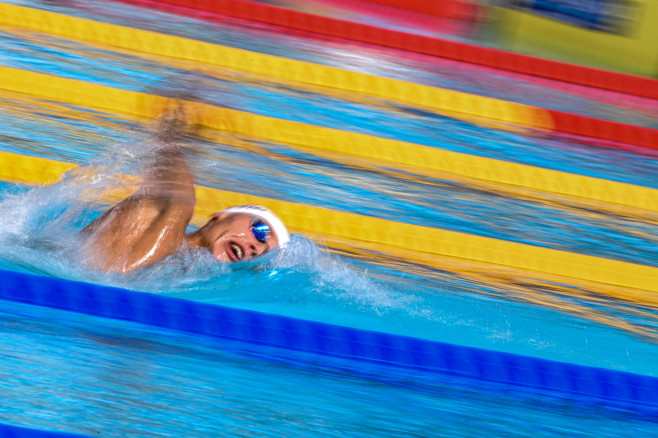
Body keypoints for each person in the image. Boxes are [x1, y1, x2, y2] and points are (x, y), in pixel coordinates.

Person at [79, 103, 289, 273]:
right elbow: (173, 183)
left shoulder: (189, 276)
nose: (257, 248)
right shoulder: (168, 212)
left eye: (265, 253)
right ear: (221, 216)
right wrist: (173, 125)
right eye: (260, 231)